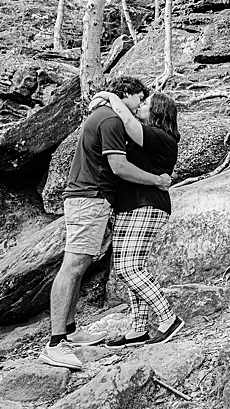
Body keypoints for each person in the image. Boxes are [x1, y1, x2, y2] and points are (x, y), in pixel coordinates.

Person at [43, 76, 171, 371]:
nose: (141, 103)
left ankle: (71, 331)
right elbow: (119, 166)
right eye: (140, 97)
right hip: (89, 198)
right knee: (73, 266)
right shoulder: (111, 120)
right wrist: (157, 180)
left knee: (79, 266)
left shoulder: (102, 115)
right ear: (126, 94)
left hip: (89, 198)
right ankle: (55, 344)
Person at [90, 90, 186, 347]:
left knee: (128, 267)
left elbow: (130, 124)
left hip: (146, 205)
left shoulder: (162, 137)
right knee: (129, 267)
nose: (140, 106)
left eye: (145, 104)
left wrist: (111, 97)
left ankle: (168, 318)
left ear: (157, 111)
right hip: (130, 206)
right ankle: (138, 329)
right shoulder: (148, 138)